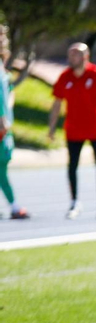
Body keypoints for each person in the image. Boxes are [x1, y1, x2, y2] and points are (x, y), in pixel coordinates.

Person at [46, 42, 96, 219]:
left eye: (76, 54)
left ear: (85, 56)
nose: (72, 58)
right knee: (72, 166)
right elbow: (57, 102)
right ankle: (74, 202)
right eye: (70, 54)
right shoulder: (65, 77)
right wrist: (52, 127)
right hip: (74, 129)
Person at [0, 26, 30, 219]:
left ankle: (14, 205)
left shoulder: (2, 67)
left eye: (3, 38)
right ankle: (14, 205)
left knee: (2, 164)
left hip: (4, 126)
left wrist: (7, 111)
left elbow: (7, 92)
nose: (3, 41)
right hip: (1, 125)